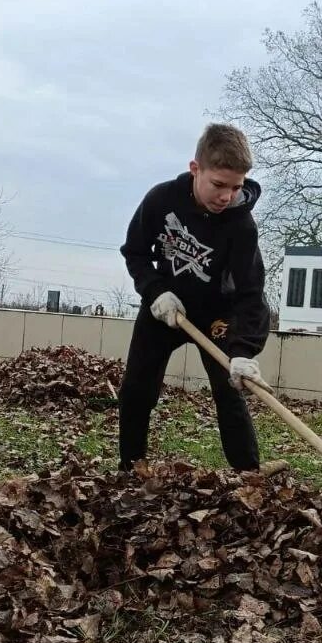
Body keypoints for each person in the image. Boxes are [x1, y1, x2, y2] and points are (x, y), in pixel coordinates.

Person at [118, 123, 271, 472]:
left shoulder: (241, 226)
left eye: (236, 187)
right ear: (195, 169)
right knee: (136, 389)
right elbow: (135, 252)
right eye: (218, 184)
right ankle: (131, 468)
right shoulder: (160, 200)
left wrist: (242, 351)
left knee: (230, 393)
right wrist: (156, 291)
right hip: (166, 309)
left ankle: (249, 476)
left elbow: (251, 293)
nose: (226, 196)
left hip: (217, 316)